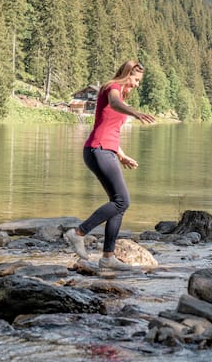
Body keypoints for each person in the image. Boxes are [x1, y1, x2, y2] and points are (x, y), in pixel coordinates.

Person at [64, 60, 156, 271]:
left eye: (139, 81)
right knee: (122, 200)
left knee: (119, 204)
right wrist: (135, 112)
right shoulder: (112, 88)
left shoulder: (121, 95)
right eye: (135, 80)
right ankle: (78, 233)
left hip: (107, 150)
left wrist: (122, 155)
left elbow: (110, 129)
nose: (137, 85)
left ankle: (108, 257)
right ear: (126, 74)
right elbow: (114, 104)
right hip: (98, 149)